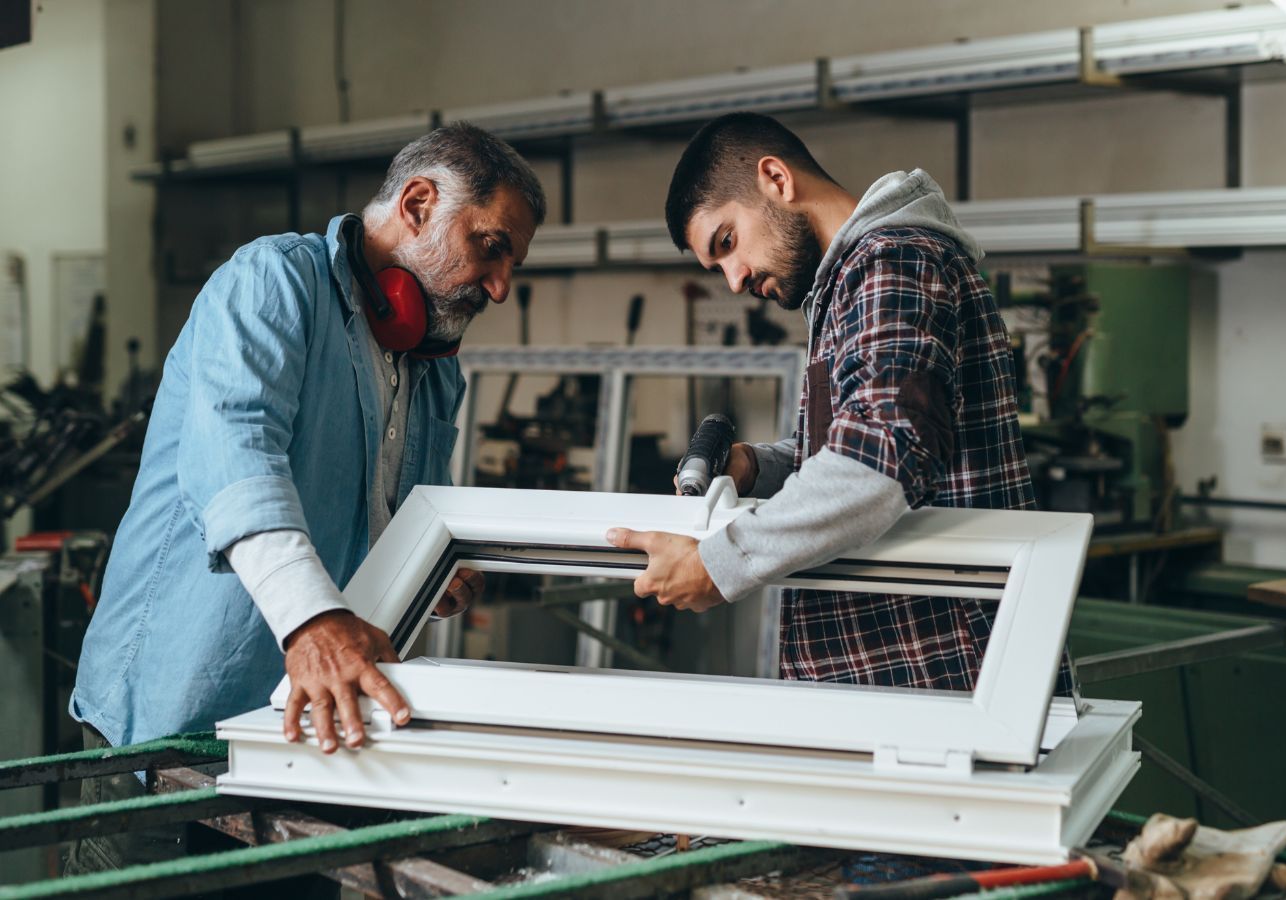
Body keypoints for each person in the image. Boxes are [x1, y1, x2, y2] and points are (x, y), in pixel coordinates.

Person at [65, 123, 544, 873]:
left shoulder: (434, 368)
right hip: (164, 730)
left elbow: (393, 518)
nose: (499, 286)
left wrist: (424, 572)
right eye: (490, 246)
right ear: (417, 203)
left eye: (511, 262)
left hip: (300, 741)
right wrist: (317, 619)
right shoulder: (272, 284)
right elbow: (235, 459)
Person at [607, 112, 1074, 695]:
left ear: (776, 179)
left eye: (727, 242)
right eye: (717, 264)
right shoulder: (848, 283)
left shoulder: (893, 262)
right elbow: (854, 446)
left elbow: (878, 462)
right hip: (894, 679)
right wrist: (758, 467)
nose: (734, 278)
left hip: (936, 678)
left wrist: (716, 564)